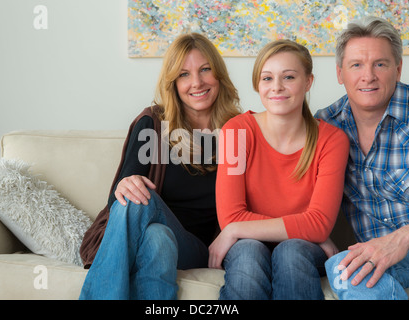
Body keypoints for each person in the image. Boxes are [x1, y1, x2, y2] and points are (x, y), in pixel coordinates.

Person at [78, 33, 242, 299]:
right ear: (173, 83)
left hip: (198, 248)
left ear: (218, 74)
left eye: (205, 70)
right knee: (156, 236)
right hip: (151, 235)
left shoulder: (239, 130)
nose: (197, 82)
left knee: (139, 202)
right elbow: (117, 202)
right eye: (184, 74)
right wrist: (124, 183)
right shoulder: (153, 125)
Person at [208, 39, 350, 300]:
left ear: (308, 82)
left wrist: (235, 228)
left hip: (303, 249)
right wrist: (304, 227)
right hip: (246, 246)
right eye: (267, 78)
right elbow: (230, 217)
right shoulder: (236, 132)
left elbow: (318, 224)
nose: (277, 87)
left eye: (289, 77)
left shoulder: (332, 140)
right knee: (250, 254)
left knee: (291, 251)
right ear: (257, 84)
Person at [316, 16, 409, 300]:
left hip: (408, 245)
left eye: (380, 64)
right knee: (343, 269)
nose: (368, 76)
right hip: (385, 261)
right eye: (356, 64)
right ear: (339, 73)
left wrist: (404, 237)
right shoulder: (325, 125)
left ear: (398, 69)